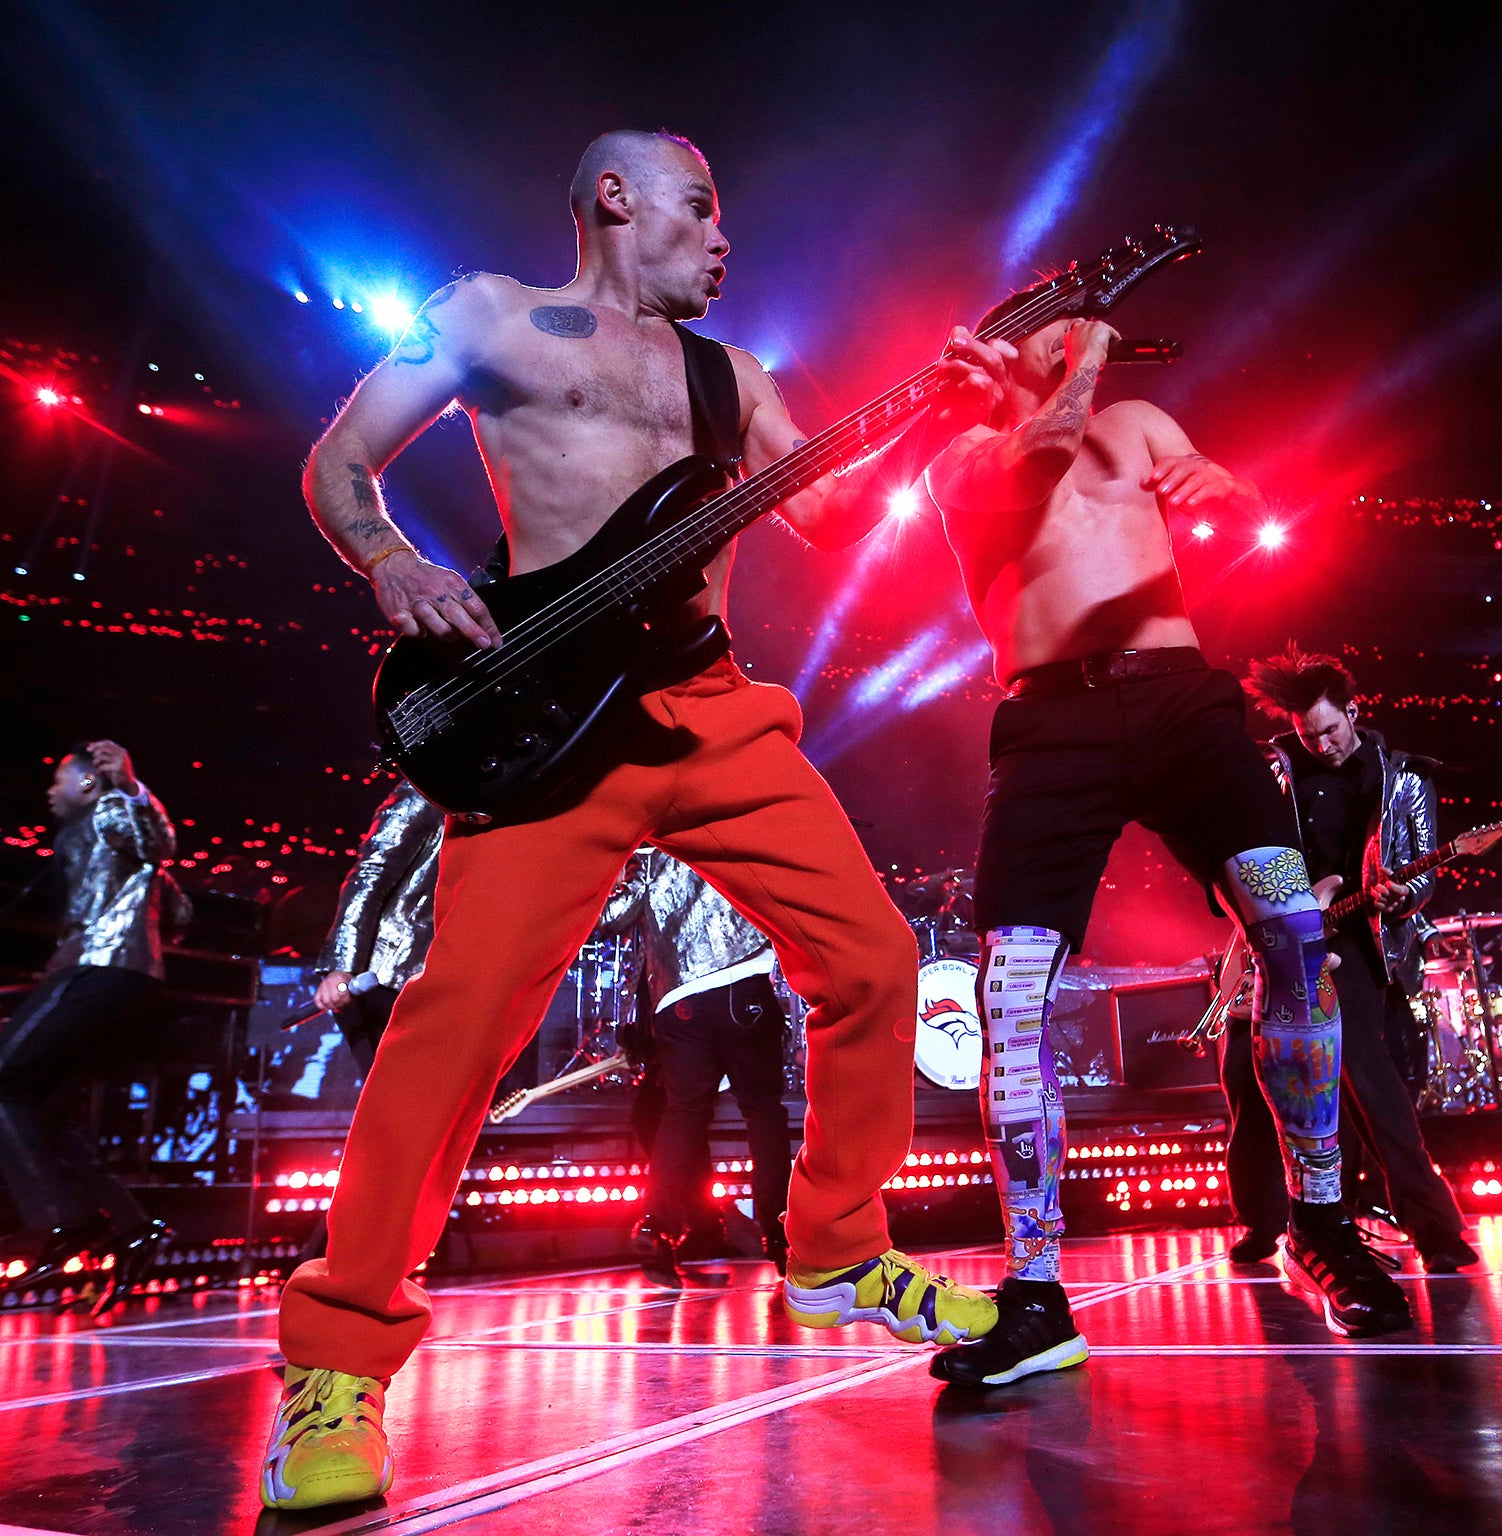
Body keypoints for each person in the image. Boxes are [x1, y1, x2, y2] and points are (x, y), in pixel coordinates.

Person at [261, 129, 1013, 1511]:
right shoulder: (494, 316)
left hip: (714, 709)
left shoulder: (738, 380)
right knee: (455, 1031)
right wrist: (393, 566)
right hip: (552, 731)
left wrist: (949, 417)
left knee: (876, 963)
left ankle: (839, 1246)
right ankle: (338, 1369)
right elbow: (338, 467)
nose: (726, 237)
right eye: (703, 205)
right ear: (615, 197)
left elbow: (834, 518)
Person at [920, 296, 1413, 1390]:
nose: (1078, 332)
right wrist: (1079, 363)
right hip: (1053, 722)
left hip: (1187, 707)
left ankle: (1322, 1222)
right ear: (1009, 347)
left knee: (1291, 930)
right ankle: (1036, 1292)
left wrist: (1226, 489)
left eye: (1083, 325)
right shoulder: (960, 459)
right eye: (1058, 323)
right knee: (1010, 995)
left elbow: (1233, 497)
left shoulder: (1139, 420)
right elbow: (1039, 454)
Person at [1226, 647, 1476, 1274]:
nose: (1324, 745)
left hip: (1356, 944)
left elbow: (1421, 870)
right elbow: (1242, 849)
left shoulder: (1402, 779)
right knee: (1258, 1084)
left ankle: (1434, 1229)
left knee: (1371, 1085)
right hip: (1281, 940)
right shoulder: (1272, 769)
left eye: (1332, 731)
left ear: (1354, 713)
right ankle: (1267, 1223)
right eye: (1310, 735)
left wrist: (1402, 895)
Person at [0, 741, 175, 1296]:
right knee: (47, 1105)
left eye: (58, 779)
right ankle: (130, 1228)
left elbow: (158, 845)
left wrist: (127, 784)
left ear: (86, 783)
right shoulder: (95, 832)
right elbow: (175, 903)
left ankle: (64, 1220)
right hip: (114, 971)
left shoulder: (110, 811)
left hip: (100, 966)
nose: (49, 791)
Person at [601, 848, 792, 1284]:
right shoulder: (736, 826)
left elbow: (612, 917)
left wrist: (626, 862)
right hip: (740, 983)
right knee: (762, 1111)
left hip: (678, 997)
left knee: (682, 1112)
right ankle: (781, 1237)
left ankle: (655, 1226)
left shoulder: (652, 846)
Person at [313, 782, 446, 1075]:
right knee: (395, 1097)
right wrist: (342, 966)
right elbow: (370, 875)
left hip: (431, 975)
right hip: (382, 974)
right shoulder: (422, 792)